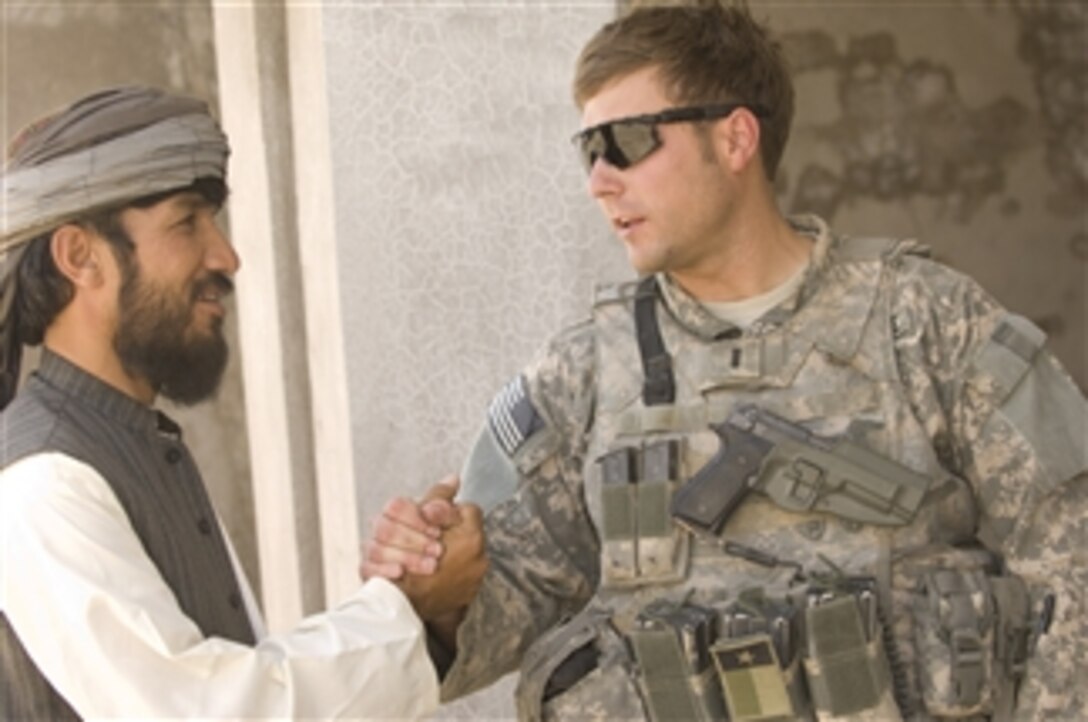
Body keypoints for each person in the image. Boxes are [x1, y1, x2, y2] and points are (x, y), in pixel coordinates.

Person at [363, 2, 1087, 720]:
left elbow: (1072, 545)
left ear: (736, 138)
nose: (599, 180)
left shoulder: (926, 320)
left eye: (626, 140)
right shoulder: (578, 376)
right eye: (588, 149)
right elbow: (506, 608)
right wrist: (441, 593)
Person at [0, 85, 484, 720]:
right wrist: (402, 607)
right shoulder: (43, 481)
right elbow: (201, 709)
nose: (225, 255)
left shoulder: (138, 445)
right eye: (187, 222)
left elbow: (244, 680)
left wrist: (425, 616)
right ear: (80, 256)